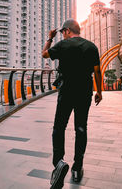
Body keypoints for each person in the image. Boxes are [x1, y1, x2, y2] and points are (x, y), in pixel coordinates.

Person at [42, 19, 102, 189]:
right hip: (84, 91)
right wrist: (99, 92)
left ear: (68, 31)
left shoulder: (63, 45)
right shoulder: (91, 47)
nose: (62, 34)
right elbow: (97, 70)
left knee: (59, 127)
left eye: (62, 32)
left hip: (66, 91)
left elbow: (44, 54)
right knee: (81, 128)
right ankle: (77, 168)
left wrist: (50, 38)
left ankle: (59, 163)